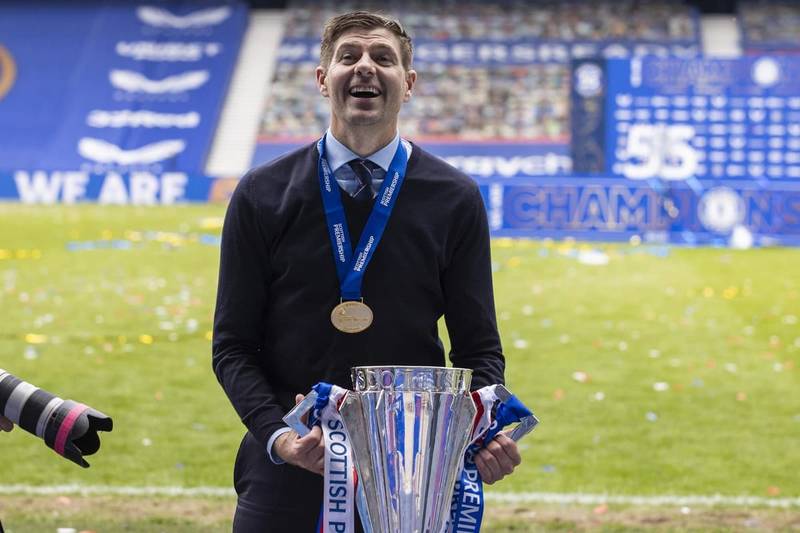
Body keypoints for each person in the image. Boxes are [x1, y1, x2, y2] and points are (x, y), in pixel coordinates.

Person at [212, 11, 521, 532]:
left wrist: (485, 432)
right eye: (348, 56)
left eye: (383, 58)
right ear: (321, 78)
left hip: (412, 470)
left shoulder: (455, 198)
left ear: (409, 83)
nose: (365, 67)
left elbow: (479, 349)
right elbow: (233, 345)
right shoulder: (262, 194)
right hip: (289, 465)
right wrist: (279, 437)